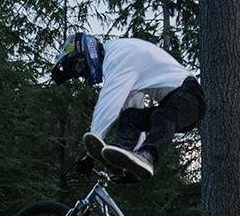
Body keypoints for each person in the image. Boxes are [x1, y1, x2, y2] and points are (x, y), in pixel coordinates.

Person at [51, 31, 204, 181]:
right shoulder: (123, 62)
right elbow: (133, 108)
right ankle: (125, 148)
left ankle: (148, 156)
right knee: (130, 117)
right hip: (174, 101)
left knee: (162, 116)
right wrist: (130, 164)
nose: (83, 75)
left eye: (79, 68)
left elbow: (110, 101)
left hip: (190, 96)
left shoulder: (117, 57)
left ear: (87, 53)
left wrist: (93, 146)